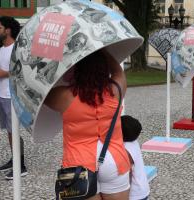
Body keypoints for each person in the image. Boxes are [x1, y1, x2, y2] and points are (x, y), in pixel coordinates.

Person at [45, 50, 131, 200]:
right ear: (104, 69)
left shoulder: (64, 96)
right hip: (114, 160)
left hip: (78, 163)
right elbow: (118, 70)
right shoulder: (116, 89)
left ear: (76, 69)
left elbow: (42, 89)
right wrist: (103, 50)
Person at [0, 16, 28, 179]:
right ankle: (14, 160)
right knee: (9, 132)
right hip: (2, 95)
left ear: (8, 30)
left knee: (14, 131)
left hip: (11, 96)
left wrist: (3, 73)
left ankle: (21, 166)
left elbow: (21, 71)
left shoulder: (16, 49)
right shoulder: (2, 48)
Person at [122, 115, 150, 200]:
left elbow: (128, 174)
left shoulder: (126, 150)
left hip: (135, 194)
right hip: (142, 189)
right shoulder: (133, 141)